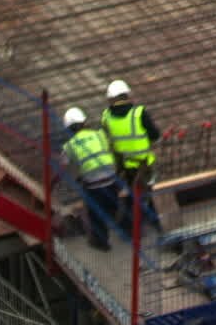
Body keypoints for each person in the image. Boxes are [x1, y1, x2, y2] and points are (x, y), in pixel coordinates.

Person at [101, 80, 161, 232]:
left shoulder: (106, 117)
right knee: (147, 194)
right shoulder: (138, 113)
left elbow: (108, 138)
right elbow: (155, 135)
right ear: (126, 95)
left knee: (132, 195)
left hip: (125, 165)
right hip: (143, 164)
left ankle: (131, 226)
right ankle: (153, 223)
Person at [62, 107, 119, 251]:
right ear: (84, 122)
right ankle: (119, 222)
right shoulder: (99, 134)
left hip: (94, 185)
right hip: (112, 178)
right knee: (111, 203)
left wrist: (51, 183)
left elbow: (63, 166)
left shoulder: (70, 145)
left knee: (95, 212)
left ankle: (102, 242)